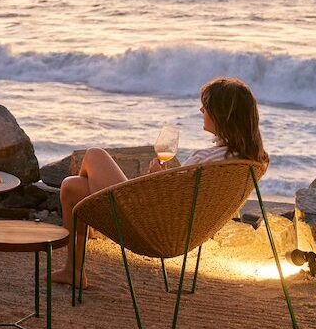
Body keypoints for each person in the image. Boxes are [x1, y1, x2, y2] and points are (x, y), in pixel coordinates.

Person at [52, 77, 269, 287]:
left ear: (222, 115)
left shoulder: (205, 159)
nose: (201, 111)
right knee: (71, 187)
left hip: (145, 225)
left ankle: (87, 223)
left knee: (94, 154)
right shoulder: (247, 161)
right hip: (177, 229)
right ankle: (74, 270)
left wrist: (156, 174)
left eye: (206, 107)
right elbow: (180, 194)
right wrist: (165, 178)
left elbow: (163, 194)